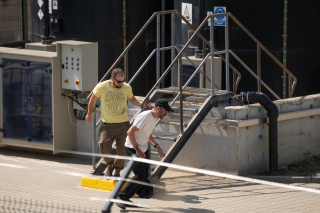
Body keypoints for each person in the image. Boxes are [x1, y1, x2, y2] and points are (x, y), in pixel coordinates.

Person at [85, 68, 143, 177]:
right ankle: (110, 165)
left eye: (123, 81)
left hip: (123, 124)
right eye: (119, 81)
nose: (121, 83)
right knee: (104, 148)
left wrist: (142, 104)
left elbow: (132, 99)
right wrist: (89, 114)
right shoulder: (102, 87)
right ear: (112, 79)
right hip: (107, 125)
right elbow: (92, 99)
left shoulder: (126, 87)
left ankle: (117, 170)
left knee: (122, 151)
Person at [116, 99, 172, 210]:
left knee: (144, 175)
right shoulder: (145, 116)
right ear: (158, 108)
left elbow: (147, 134)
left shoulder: (154, 118)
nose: (166, 114)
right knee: (140, 175)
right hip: (132, 148)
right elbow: (130, 132)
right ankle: (121, 196)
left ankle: (131, 195)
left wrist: (157, 146)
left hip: (142, 149)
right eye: (165, 111)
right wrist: (137, 149)